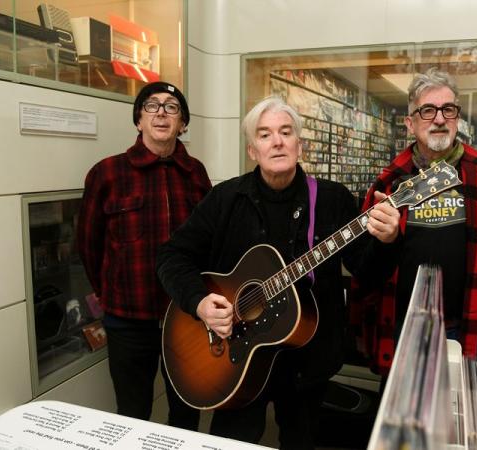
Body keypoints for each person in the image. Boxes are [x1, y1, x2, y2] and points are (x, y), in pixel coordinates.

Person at [156, 96, 399, 449]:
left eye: (286, 132)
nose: (277, 141)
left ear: (300, 144)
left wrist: (387, 241)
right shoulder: (226, 199)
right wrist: (199, 303)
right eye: (265, 134)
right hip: (234, 360)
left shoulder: (332, 199)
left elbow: (368, 272)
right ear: (253, 150)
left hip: (307, 364)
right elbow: (171, 255)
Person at [354, 68, 477, 376]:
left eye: (447, 109)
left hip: (464, 330)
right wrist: (360, 326)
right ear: (410, 123)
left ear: (457, 118)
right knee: (399, 422)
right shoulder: (389, 182)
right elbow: (364, 268)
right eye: (427, 110)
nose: (439, 119)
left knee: (458, 420)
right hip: (401, 329)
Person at [77, 81, 211, 429]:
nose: (162, 113)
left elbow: (209, 242)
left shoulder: (196, 174)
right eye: (152, 106)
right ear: (139, 120)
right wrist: (111, 296)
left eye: (172, 107)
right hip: (127, 321)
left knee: (186, 409)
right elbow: (88, 246)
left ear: (183, 123)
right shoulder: (107, 172)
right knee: (133, 415)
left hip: (185, 318)